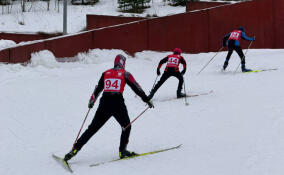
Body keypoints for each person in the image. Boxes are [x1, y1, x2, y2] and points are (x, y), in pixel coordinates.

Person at [63, 54, 154, 162]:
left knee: (92, 129)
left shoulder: (106, 73)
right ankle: (122, 151)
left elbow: (98, 88)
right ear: (123, 63)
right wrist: (146, 99)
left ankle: (74, 149)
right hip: (117, 103)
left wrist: (92, 101)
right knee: (126, 126)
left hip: (104, 102)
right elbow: (136, 87)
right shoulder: (125, 74)